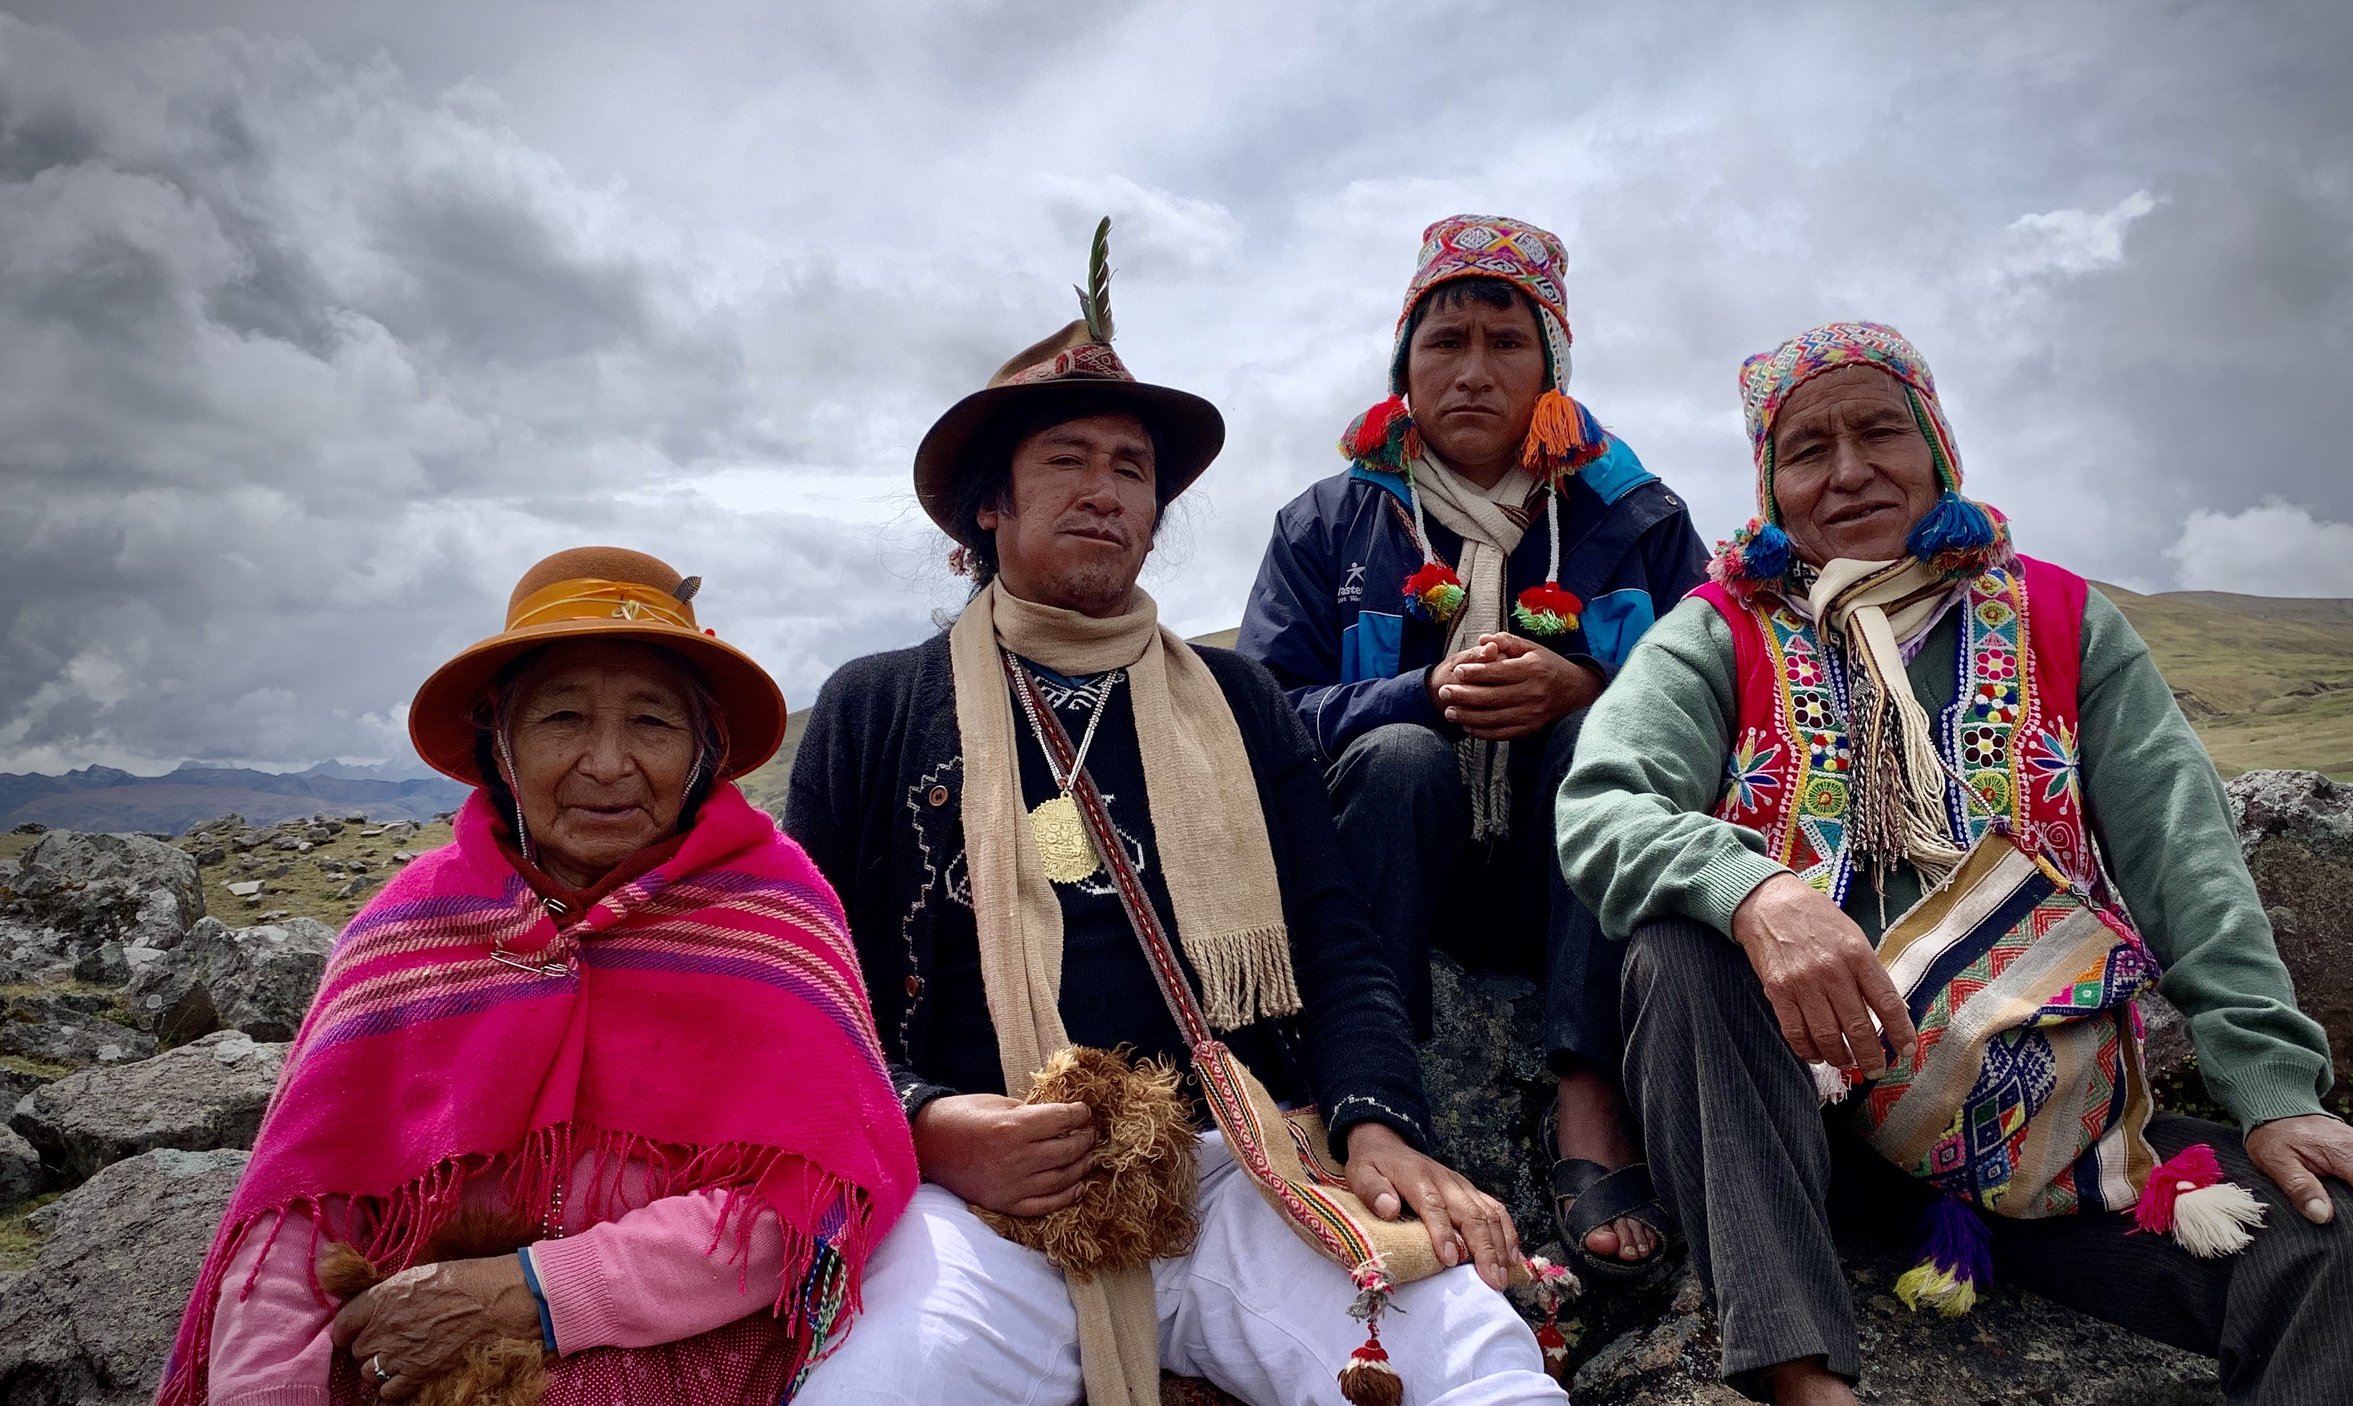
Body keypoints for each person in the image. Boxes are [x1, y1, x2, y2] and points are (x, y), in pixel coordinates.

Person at [1557, 321, 2353, 1405]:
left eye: (1879, 432)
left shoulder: (2063, 621)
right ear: (1770, 486)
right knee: (1679, 947)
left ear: (1936, 445)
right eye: (1807, 450)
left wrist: (2276, 1094)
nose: (1847, 471)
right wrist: (1756, 890)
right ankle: (1802, 1373)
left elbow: (2186, 860)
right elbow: (1602, 806)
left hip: (2046, 1140)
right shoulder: (1719, 632)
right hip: (1797, 1144)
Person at [783, 223, 1564, 1406]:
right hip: (976, 1201)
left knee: (1470, 1361)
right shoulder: (876, 705)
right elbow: (807, 987)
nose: (1105, 491)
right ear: (988, 505)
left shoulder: (1241, 701)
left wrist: (1373, 1121)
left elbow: (1335, 940)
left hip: (1232, 1165)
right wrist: (928, 1121)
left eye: (1132, 469)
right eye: (1065, 461)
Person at [158, 546, 918, 1406]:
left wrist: (537, 1290)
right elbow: (302, 1215)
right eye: (562, 718)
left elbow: (810, 1199)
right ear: (502, 744)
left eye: (652, 723)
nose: (608, 763)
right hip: (402, 1344)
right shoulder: (405, 932)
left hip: (678, 1355)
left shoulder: (777, 918)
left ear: (704, 750)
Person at [1237, 214, 1707, 1280]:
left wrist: (1588, 685)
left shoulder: (1637, 520)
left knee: (1598, 736)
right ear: (1403, 368)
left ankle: (1591, 1097)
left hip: (1565, 882)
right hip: (1393, 871)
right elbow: (1262, 714)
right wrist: (1420, 695)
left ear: (1553, 370)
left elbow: (1719, 701)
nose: (1473, 371)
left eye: (1507, 342)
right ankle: (1371, 1093)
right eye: (1444, 342)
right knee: (1400, 754)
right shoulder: (1328, 523)